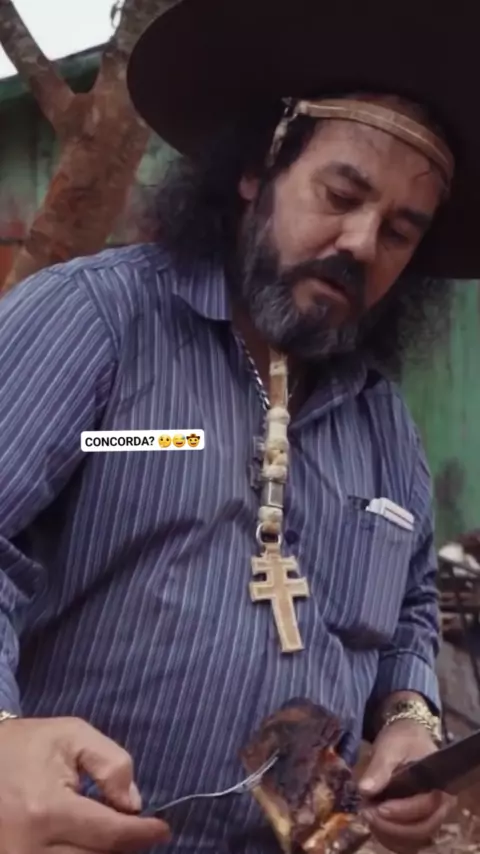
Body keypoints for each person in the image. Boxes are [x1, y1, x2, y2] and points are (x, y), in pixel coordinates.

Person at [0, 1, 477, 852]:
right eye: (341, 194)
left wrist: (410, 718)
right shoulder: (99, 323)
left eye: (400, 231)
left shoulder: (385, 425)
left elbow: (408, 610)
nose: (361, 242)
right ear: (258, 168)